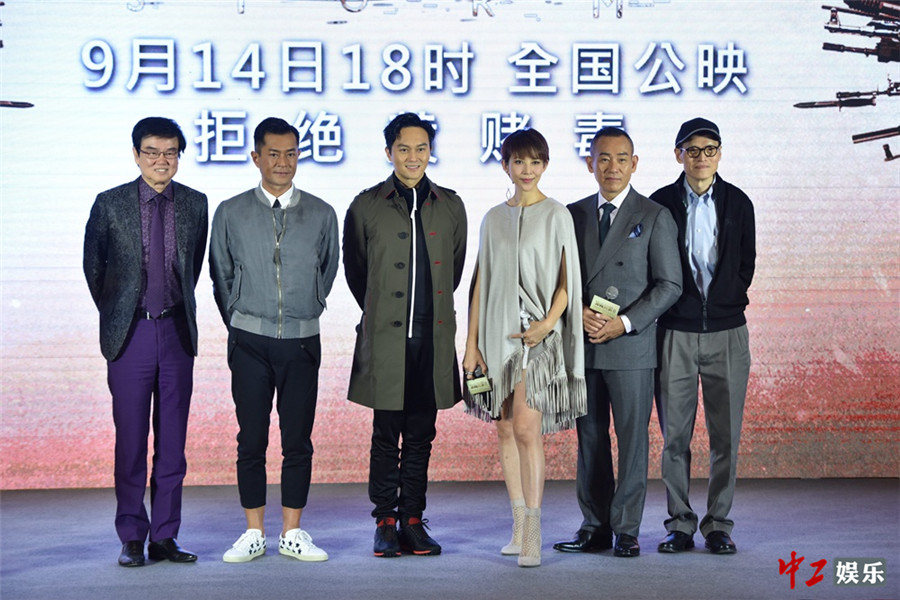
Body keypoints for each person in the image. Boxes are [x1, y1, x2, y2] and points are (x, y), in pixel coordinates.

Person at [209, 117, 339, 564]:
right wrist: (240, 319)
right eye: (273, 154)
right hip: (249, 341)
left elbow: (328, 268)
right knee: (251, 440)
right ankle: (253, 532)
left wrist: (309, 304)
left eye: (291, 154)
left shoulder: (321, 213)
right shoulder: (231, 211)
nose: (283, 162)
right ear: (256, 157)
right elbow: (221, 273)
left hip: (301, 341)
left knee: (297, 440)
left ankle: (292, 532)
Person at [83, 116, 208, 567]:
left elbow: (191, 267)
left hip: (176, 332)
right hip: (131, 332)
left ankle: (165, 536)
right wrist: (121, 312)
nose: (161, 160)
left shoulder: (195, 203)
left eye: (170, 152)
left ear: (179, 156)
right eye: (152, 152)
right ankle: (132, 535)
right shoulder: (110, 203)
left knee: (172, 444)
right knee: (131, 441)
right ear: (136, 155)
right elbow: (94, 268)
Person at [343, 112, 467, 558]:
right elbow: (357, 273)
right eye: (403, 149)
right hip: (387, 341)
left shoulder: (450, 205)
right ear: (389, 152)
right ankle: (385, 521)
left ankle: (413, 519)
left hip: (430, 341)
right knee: (385, 434)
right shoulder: (366, 206)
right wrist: (384, 313)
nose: (413, 157)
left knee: (420, 436)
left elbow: (453, 270)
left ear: (430, 151)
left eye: (421, 148)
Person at [555, 127, 681, 558]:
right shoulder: (572, 214)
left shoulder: (654, 215)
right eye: (603, 158)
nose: (612, 167)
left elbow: (669, 285)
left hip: (631, 347)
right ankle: (594, 526)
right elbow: (558, 278)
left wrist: (624, 323)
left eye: (621, 158)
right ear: (589, 163)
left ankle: (626, 529)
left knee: (632, 441)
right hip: (584, 345)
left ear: (634, 163)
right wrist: (576, 313)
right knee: (589, 439)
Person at [462, 129, 586, 568]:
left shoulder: (557, 214)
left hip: (538, 340)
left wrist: (548, 324)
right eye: (519, 162)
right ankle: (517, 525)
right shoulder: (493, 218)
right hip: (495, 338)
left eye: (535, 161)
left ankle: (533, 530)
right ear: (505, 165)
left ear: (545, 165)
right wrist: (471, 344)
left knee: (528, 430)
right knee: (504, 428)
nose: (527, 170)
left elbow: (568, 281)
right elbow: (481, 283)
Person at [650, 118, 756, 555]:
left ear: (720, 153)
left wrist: (725, 300)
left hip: (728, 333)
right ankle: (679, 523)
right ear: (678, 154)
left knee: (725, 437)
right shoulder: (659, 203)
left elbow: (746, 264)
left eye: (709, 149)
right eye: (692, 150)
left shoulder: (739, 202)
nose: (701, 158)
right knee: (675, 437)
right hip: (675, 332)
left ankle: (718, 525)